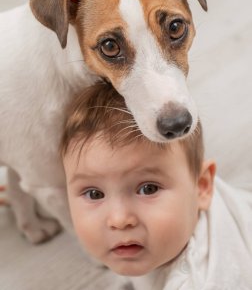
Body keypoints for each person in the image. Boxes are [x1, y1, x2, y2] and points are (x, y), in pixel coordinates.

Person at [61, 82, 252, 290]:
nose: (119, 220)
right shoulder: (186, 195)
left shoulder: (203, 282)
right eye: (94, 193)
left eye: (148, 189)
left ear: (202, 186)